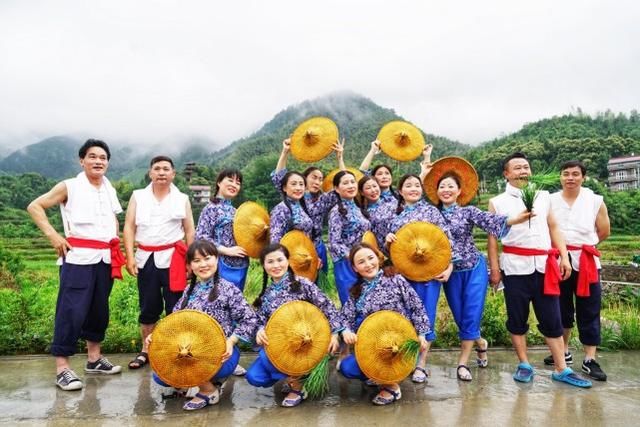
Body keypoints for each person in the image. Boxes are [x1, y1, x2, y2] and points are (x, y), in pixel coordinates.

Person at [27, 139, 125, 391]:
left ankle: (94, 359)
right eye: (92, 156)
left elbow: (113, 218)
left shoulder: (108, 187)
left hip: (104, 258)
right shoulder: (69, 186)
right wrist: (53, 235)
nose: (98, 161)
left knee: (98, 310)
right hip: (78, 258)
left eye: (103, 157)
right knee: (71, 311)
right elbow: (35, 206)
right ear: (81, 160)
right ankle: (62, 368)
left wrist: (117, 244)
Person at [487, 152, 591, 388]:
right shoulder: (498, 201)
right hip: (514, 268)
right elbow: (492, 239)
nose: (523, 171)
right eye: (517, 168)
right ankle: (524, 363)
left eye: (526, 167)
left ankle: (561, 368)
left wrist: (564, 257)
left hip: (545, 267)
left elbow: (553, 227)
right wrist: (494, 269)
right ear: (506, 173)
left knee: (552, 317)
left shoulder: (544, 196)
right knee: (517, 318)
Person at [430, 171, 531, 381]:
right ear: (436, 191)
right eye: (442, 186)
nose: (446, 190)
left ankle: (462, 363)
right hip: (450, 273)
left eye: (451, 186)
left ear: (459, 191)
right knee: (461, 318)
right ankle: (481, 343)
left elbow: (490, 221)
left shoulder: (468, 211)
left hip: (474, 268)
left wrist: (515, 220)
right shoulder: (430, 215)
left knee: (471, 315)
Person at [148, 240, 259, 410]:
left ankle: (208, 391)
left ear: (216, 259)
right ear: (190, 266)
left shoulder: (229, 289)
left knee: (193, 365)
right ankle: (195, 381)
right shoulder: (189, 291)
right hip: (189, 350)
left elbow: (250, 319)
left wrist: (232, 341)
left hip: (222, 354)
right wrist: (154, 336)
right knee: (160, 375)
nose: (203, 264)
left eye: (207, 258)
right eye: (197, 261)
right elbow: (173, 323)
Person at [246, 243, 341, 407]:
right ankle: (293, 376)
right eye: (270, 262)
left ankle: (298, 385)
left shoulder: (303, 284)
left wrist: (334, 333)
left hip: (307, 343)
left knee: (267, 360)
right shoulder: (266, 293)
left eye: (279, 260)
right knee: (255, 377)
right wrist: (260, 329)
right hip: (282, 345)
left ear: (287, 261)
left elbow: (328, 307)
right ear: (264, 265)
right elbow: (259, 320)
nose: (276, 265)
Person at [123, 155, 195, 370]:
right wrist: (129, 256)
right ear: (150, 173)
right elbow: (129, 227)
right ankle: (146, 350)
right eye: (157, 168)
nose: (161, 172)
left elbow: (189, 230)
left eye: (166, 169)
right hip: (146, 258)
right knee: (148, 307)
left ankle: (175, 349)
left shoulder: (182, 198)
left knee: (176, 306)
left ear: (173, 174)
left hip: (175, 258)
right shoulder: (138, 196)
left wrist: (191, 262)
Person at [339, 243, 430, 405]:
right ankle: (378, 376)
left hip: (399, 345)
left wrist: (422, 334)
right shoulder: (356, 291)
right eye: (361, 262)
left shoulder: (395, 279)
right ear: (354, 268)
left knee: (396, 357)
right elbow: (345, 317)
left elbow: (417, 306)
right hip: (374, 349)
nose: (368, 264)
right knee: (347, 367)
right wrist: (346, 330)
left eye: (370, 258)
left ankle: (392, 387)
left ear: (378, 258)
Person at [546, 160, 611, 381]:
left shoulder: (595, 201)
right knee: (561, 308)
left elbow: (604, 231)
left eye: (575, 174)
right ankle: (563, 352)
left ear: (583, 177)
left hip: (587, 262)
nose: (570, 178)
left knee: (589, 308)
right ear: (560, 177)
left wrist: (586, 248)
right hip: (558, 262)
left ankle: (590, 359)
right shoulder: (550, 201)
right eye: (566, 174)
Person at [385, 173, 453, 383]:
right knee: (403, 316)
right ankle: (405, 360)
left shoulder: (431, 211)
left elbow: (447, 240)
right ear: (400, 191)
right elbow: (390, 252)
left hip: (428, 273)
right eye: (409, 185)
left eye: (417, 185)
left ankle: (421, 365)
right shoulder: (395, 218)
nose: (414, 188)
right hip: (403, 276)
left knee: (426, 315)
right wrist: (388, 241)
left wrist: (449, 266)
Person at [195, 168, 248, 376]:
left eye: (238, 182)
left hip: (240, 267)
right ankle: (212, 356)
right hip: (221, 266)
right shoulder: (210, 209)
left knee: (234, 312)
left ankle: (230, 359)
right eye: (230, 180)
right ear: (219, 182)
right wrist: (226, 250)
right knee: (217, 312)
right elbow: (201, 238)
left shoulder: (236, 211)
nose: (234, 184)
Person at [271, 138, 345, 273]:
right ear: (305, 179)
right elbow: (279, 178)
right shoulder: (292, 201)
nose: (317, 182)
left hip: (316, 246)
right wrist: (285, 152)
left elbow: (344, 186)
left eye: (321, 179)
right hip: (294, 250)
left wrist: (340, 158)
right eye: (314, 177)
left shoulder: (322, 200)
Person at [328, 170, 371, 305]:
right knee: (351, 302)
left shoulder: (358, 208)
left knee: (367, 300)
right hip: (346, 263)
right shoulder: (336, 212)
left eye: (353, 182)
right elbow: (334, 242)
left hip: (363, 262)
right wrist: (353, 256)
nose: (351, 185)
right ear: (336, 188)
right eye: (345, 183)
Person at [269, 171, 314, 243]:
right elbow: (275, 240)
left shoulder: (303, 206)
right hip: (289, 252)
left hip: (304, 251)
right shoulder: (281, 209)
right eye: (294, 184)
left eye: (301, 184)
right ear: (284, 188)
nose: (298, 188)